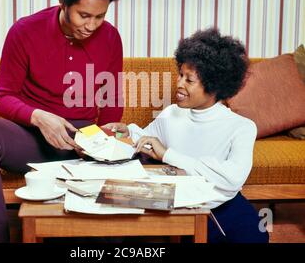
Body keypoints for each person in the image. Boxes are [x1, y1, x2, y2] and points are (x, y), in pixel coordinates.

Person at [0, 0, 125, 243]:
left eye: (100, 16)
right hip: (31, 137)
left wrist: (103, 140)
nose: (92, 25)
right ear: (63, 2)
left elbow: (110, 100)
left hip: (80, 142)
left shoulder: (110, 38)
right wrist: (38, 116)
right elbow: (4, 96)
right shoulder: (25, 31)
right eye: (84, 15)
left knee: (140, 151)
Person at [103, 28, 269, 243]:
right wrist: (129, 132)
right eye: (180, 75)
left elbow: (231, 179)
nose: (179, 84)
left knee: (256, 236)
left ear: (214, 86)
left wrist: (168, 155)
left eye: (189, 80)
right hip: (177, 201)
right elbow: (147, 140)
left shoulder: (242, 127)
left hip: (220, 206)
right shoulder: (172, 113)